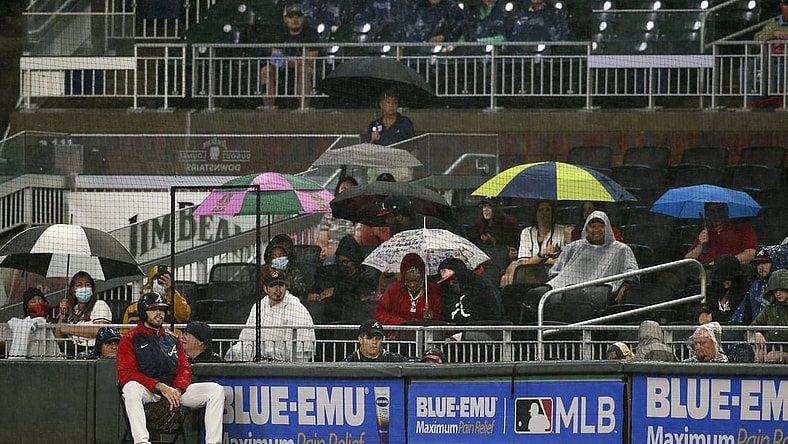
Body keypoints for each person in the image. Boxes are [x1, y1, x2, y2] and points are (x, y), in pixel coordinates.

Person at [117, 292, 225, 444]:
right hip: (148, 391)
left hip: (174, 392)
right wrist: (160, 387)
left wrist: (178, 390)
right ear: (143, 312)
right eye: (154, 309)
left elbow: (184, 370)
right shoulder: (129, 339)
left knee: (216, 390)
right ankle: (142, 442)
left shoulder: (173, 339)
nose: (159, 313)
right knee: (130, 388)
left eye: (162, 309)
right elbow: (126, 374)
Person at [527, 210, 638, 305]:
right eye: (592, 226)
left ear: (607, 228)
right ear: (586, 228)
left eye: (600, 226)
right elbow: (555, 271)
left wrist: (625, 287)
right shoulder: (574, 247)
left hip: (597, 294)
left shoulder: (621, 249)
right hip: (563, 288)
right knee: (537, 293)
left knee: (574, 294)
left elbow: (632, 272)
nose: (596, 230)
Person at [225, 269, 316, 362]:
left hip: (287, 367)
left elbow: (300, 350)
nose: (278, 289)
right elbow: (247, 339)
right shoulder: (259, 306)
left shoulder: (296, 308)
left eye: (281, 285)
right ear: (265, 288)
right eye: (272, 285)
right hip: (259, 362)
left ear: (286, 287)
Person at [306, 235, 380, 323]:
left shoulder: (365, 276)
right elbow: (314, 290)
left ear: (355, 261)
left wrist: (335, 292)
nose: (343, 265)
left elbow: (358, 296)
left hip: (352, 319)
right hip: (327, 319)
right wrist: (313, 295)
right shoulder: (330, 273)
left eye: (346, 262)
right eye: (340, 262)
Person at [259, 3, 319, 109]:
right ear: (285, 19)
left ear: (303, 18)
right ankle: (268, 107)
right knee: (266, 70)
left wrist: (289, 62)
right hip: (283, 70)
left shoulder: (311, 33)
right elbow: (276, 58)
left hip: (302, 69)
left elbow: (310, 59)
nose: (295, 20)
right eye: (291, 16)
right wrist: (289, 62)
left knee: (304, 70)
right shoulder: (279, 33)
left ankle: (303, 107)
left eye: (298, 16)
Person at [501, 200, 568, 287]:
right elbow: (523, 263)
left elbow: (565, 260)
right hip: (529, 274)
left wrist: (538, 260)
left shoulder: (563, 231)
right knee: (507, 274)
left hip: (553, 275)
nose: (544, 213)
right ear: (535, 214)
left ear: (553, 213)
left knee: (512, 268)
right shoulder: (526, 232)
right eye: (541, 210)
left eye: (548, 210)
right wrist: (542, 254)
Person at [54, 271, 112, 356]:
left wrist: (68, 329)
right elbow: (59, 339)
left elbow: (99, 330)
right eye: (79, 285)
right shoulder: (74, 309)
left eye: (87, 284)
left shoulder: (99, 305)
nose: (84, 288)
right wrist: (62, 314)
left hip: (91, 351)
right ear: (73, 290)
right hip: (70, 351)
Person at [121, 264, 191, 335]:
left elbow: (184, 317)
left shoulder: (176, 305)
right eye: (158, 280)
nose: (161, 283)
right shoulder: (132, 309)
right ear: (150, 283)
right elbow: (124, 333)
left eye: (165, 280)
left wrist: (171, 291)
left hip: (169, 343)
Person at [375, 253, 442, 324]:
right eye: (408, 281)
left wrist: (432, 318)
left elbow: (441, 317)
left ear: (422, 278)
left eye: (416, 280)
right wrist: (401, 322)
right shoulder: (394, 289)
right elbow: (379, 315)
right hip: (399, 332)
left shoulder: (433, 290)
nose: (412, 285)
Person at [684, 202, 758, 265]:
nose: (716, 214)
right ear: (707, 214)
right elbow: (687, 260)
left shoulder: (742, 228)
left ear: (727, 211)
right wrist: (701, 244)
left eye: (720, 210)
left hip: (732, 271)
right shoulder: (705, 232)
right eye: (712, 211)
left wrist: (722, 263)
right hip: (703, 272)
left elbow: (751, 254)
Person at [731, 245, 788, 324]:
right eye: (758, 263)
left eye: (765, 263)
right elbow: (740, 318)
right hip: (759, 333)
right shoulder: (755, 287)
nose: (761, 267)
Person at [437, 257, 503, 324]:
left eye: (454, 279)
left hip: (483, 330)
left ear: (461, 275)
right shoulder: (451, 293)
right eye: (447, 281)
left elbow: (489, 317)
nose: (451, 284)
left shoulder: (481, 288)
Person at [2, 287, 62, 359]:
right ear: (27, 307)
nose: (38, 304)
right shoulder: (22, 323)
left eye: (41, 301)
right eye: (33, 302)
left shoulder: (53, 319)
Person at [316, 176, 360, 264]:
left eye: (349, 189)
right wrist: (323, 250)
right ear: (337, 191)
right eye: (343, 188)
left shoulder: (358, 214)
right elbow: (321, 238)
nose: (345, 191)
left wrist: (335, 251)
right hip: (328, 253)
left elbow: (357, 240)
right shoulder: (330, 213)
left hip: (348, 254)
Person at [751, 268, 788, 363]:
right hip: (771, 349)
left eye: (781, 290)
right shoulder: (769, 309)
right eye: (775, 291)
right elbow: (752, 327)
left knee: (772, 356)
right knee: (760, 356)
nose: (778, 294)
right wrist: (757, 333)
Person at [753, 0, 788, 96]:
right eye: (786, 4)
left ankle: (778, 97)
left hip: (784, 61)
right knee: (748, 66)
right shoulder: (773, 24)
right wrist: (772, 35)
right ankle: (752, 98)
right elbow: (757, 39)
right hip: (771, 59)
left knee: (781, 68)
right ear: (781, 6)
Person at [378, 195, 454, 236]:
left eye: (389, 217)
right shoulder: (396, 230)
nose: (386, 221)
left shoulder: (433, 226)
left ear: (399, 217)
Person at [262, 233, 308, 299]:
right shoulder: (267, 271)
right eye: (274, 257)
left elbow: (301, 289)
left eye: (280, 255)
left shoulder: (293, 271)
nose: (278, 258)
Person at [706, 254, 750, 323]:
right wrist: (701, 314)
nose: (726, 281)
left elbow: (742, 317)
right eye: (723, 278)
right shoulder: (711, 292)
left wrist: (715, 316)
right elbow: (704, 309)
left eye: (729, 278)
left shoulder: (746, 294)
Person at [400, 0, 465, 44]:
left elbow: (459, 30)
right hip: (416, 54)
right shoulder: (415, 7)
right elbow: (406, 30)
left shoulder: (453, 8)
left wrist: (444, 37)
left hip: (444, 55)